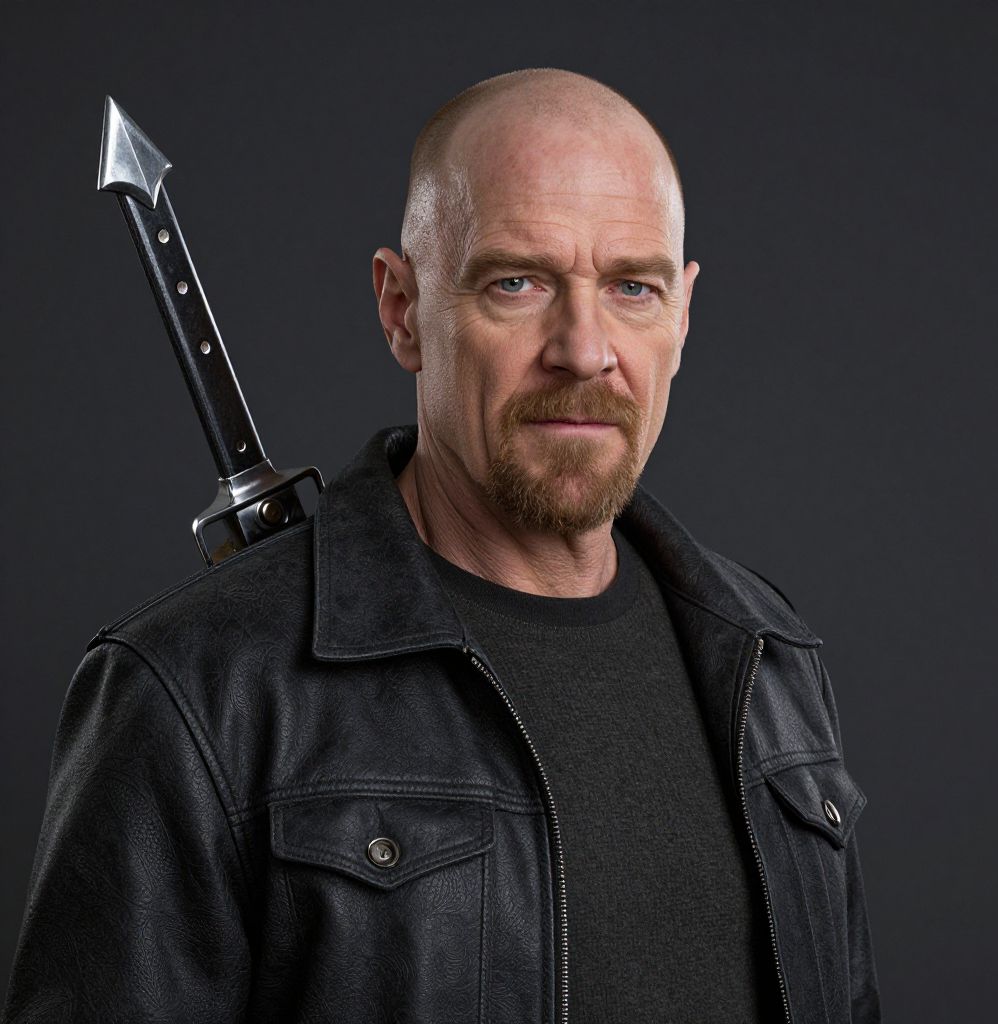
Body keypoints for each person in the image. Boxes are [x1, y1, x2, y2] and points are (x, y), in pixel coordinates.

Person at [2, 68, 882, 1023]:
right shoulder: (198, 693)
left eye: (632, 287)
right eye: (518, 283)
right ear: (403, 309)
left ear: (681, 315)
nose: (584, 350)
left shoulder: (769, 658)